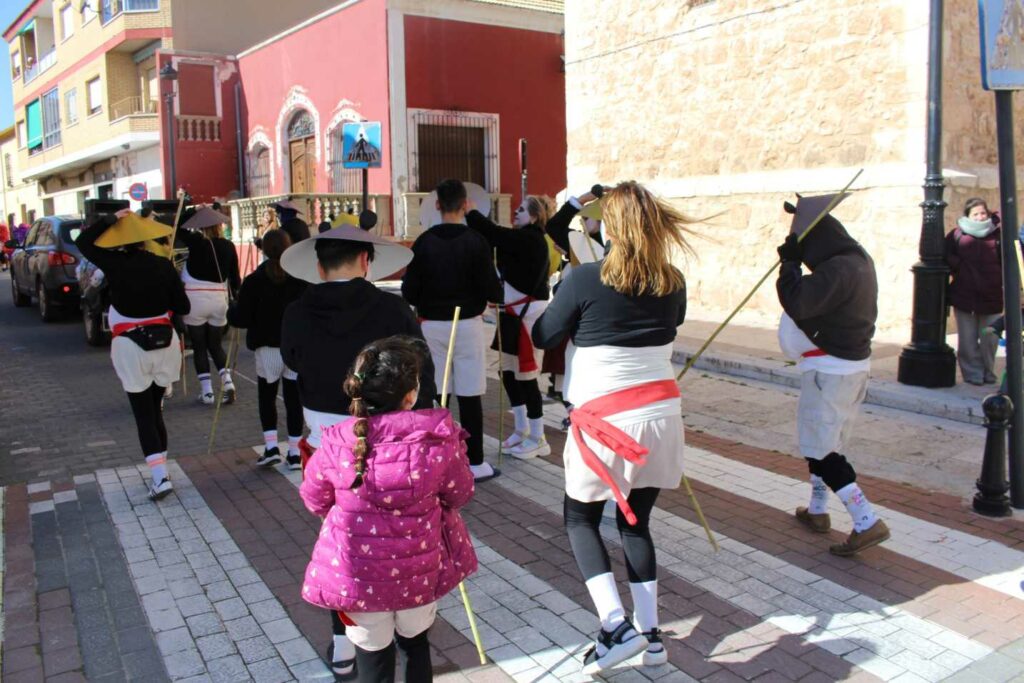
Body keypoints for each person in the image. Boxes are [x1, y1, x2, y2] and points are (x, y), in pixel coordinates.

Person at [532, 181, 689, 674]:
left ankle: (614, 625)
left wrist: (556, 302)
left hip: (604, 420)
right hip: (660, 416)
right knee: (636, 522)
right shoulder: (674, 280)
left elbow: (544, 335)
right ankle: (651, 636)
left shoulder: (583, 280)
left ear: (613, 227)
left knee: (580, 519)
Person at [280, 223, 437, 680]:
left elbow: (291, 361)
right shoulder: (391, 307)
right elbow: (419, 371)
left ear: (318, 266)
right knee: (399, 533)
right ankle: (407, 629)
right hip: (391, 439)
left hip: (327, 442)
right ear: (366, 261)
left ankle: (345, 638)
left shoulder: (296, 311)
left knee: (338, 537)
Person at [300, 336, 476, 683]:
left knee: (372, 657)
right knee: (416, 645)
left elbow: (314, 498)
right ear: (411, 395)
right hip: (420, 570)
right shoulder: (437, 440)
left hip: (358, 576)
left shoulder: (338, 442)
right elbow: (459, 494)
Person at [776, 193, 890, 557]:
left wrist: (790, 265)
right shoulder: (856, 261)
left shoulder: (839, 269)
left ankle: (865, 519)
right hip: (847, 369)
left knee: (824, 453)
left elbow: (799, 300)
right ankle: (818, 511)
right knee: (823, 442)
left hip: (831, 372)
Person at [76, 211, 190, 500]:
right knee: (155, 410)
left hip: (130, 346)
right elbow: (184, 306)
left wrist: (109, 219)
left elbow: (84, 243)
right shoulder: (164, 265)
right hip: (164, 343)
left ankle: (160, 477)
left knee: (144, 415)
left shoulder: (114, 264)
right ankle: (161, 470)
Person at [401, 179, 504, 481]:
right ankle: (475, 462)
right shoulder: (476, 241)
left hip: (432, 325)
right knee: (470, 393)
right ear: (465, 205)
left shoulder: (423, 242)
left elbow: (409, 291)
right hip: (469, 325)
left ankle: (439, 460)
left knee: (436, 393)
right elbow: (493, 291)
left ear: (436, 205)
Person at [465, 195, 552, 458]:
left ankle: (538, 436)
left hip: (526, 317)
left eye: (522, 209)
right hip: (511, 314)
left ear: (535, 217)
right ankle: (522, 428)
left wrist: (471, 212)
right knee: (507, 372)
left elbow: (493, 233)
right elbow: (493, 241)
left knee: (526, 377)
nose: (516, 212)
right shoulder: (520, 239)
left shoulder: (531, 238)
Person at [228, 229, 307, 469]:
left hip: (267, 348)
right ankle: (294, 453)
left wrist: (232, 310)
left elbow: (241, 319)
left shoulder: (254, 280)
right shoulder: (301, 279)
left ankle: (271, 446)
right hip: (294, 348)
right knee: (294, 400)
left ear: (262, 249)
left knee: (267, 396)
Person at [179, 207, 242, 405]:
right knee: (215, 344)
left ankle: (207, 392)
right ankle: (228, 383)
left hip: (195, 299)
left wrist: (191, 211)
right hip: (218, 299)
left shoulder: (196, 241)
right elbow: (235, 279)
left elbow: (179, 228)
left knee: (199, 346)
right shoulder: (228, 245)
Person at [945, 197, 1003, 385]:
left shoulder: (998, 236)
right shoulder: (957, 235)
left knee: (990, 338)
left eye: (983, 213)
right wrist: (959, 266)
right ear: (968, 216)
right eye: (975, 214)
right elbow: (945, 255)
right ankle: (973, 374)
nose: (979, 217)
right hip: (965, 295)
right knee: (967, 340)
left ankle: (988, 372)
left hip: (992, 296)